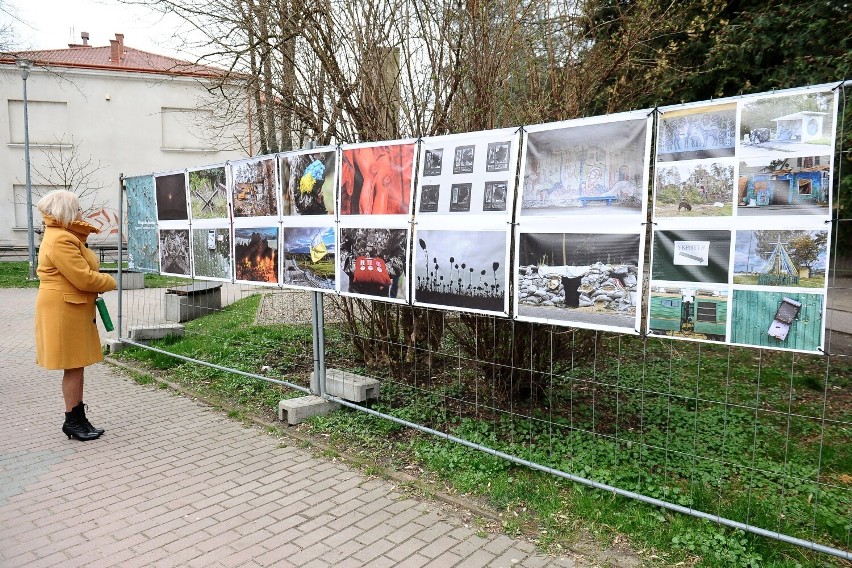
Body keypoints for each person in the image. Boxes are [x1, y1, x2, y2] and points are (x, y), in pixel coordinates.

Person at [34, 190, 116, 441]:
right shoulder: (61, 239)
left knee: (76, 365)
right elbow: (83, 277)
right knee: (72, 366)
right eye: (77, 209)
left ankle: (78, 418)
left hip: (71, 307)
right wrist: (110, 281)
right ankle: (72, 421)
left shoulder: (65, 235)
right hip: (63, 309)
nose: (81, 213)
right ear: (66, 212)